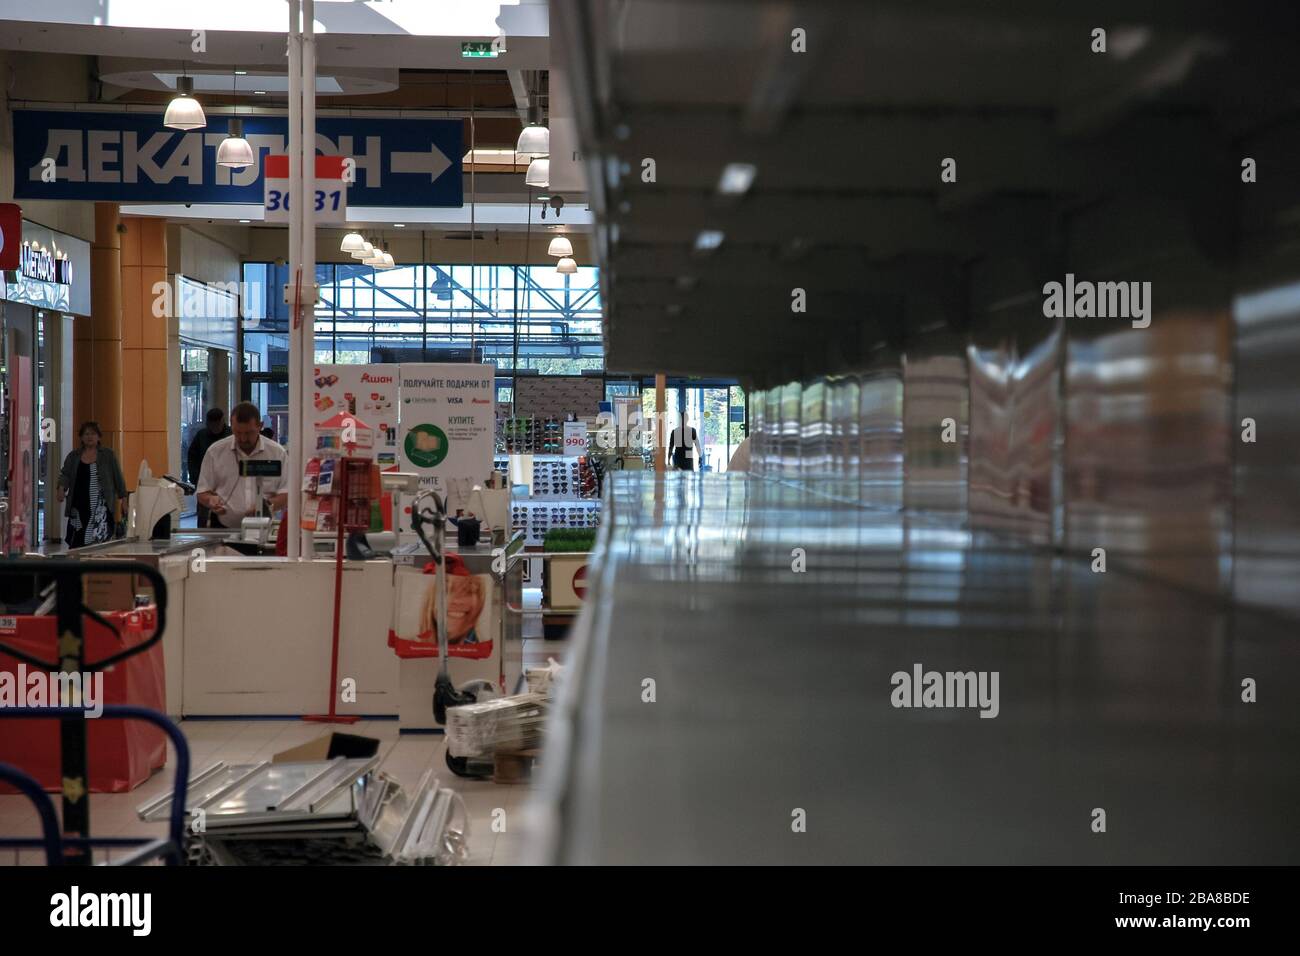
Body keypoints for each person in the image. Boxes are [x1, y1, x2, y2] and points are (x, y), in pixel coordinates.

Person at [195, 402, 289, 529]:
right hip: (224, 528)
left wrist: (267, 506)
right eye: (238, 433)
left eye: (249, 433)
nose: (243, 439)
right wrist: (211, 501)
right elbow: (202, 492)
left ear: (260, 426)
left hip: (265, 529)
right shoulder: (215, 452)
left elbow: (286, 493)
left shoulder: (277, 453)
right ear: (231, 425)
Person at [57, 422, 127, 547]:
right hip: (78, 504)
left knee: (98, 538)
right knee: (78, 538)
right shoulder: (74, 456)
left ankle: (97, 563)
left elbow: (118, 478)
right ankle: (78, 564)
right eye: (86, 434)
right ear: (81, 437)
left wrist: (124, 498)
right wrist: (61, 488)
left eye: (93, 434)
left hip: (100, 506)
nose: (90, 437)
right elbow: (65, 474)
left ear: (99, 437)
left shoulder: (108, 455)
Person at [187, 408, 231, 525]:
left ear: (222, 421)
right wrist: (196, 478)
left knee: (227, 514)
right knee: (203, 516)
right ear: (208, 423)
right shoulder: (201, 436)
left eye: (218, 425)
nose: (215, 428)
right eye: (212, 425)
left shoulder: (231, 435)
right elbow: (192, 457)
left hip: (227, 484)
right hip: (205, 484)